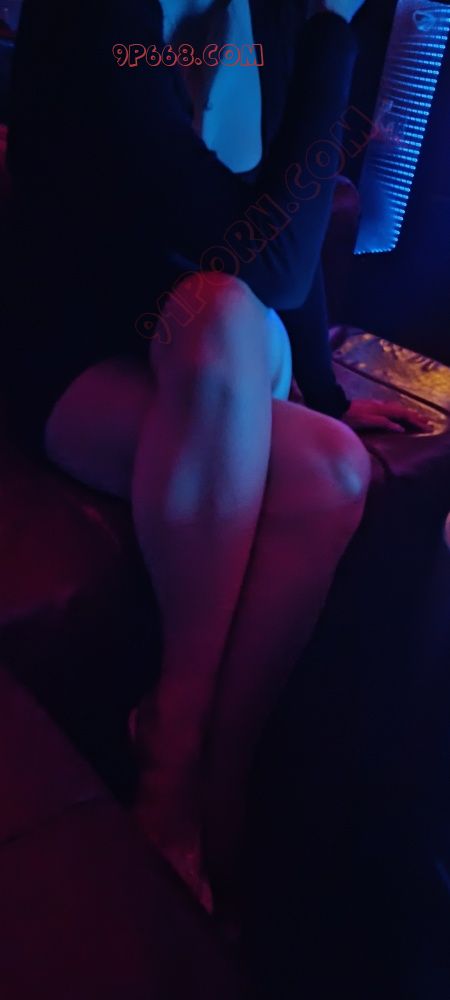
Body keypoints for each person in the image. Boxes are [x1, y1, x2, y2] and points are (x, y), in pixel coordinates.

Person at [3, 0, 426, 908]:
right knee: (225, 314)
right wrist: (335, 44)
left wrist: (328, 391)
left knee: (334, 464)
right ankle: (173, 755)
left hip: (201, 350)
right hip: (68, 350)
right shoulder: (94, 19)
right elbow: (259, 261)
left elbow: (292, 232)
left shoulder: (274, 19)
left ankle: (213, 789)